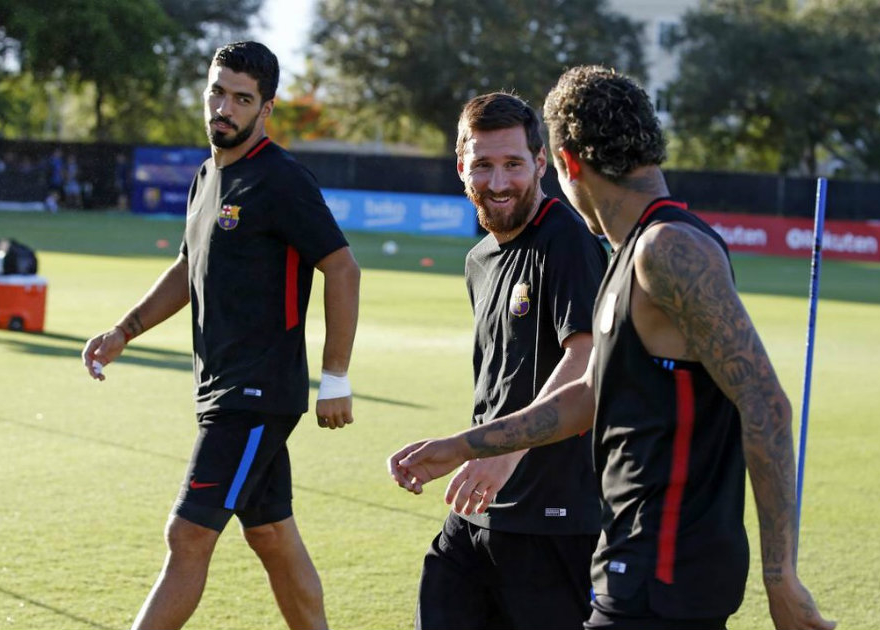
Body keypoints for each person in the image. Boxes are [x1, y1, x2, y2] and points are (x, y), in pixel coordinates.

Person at [389, 66, 836, 630]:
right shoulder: (630, 251)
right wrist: (465, 445)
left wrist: (781, 578)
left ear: (565, 162)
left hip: (671, 577)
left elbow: (767, 405)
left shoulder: (668, 248)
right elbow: (586, 396)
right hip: (628, 565)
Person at [81, 41, 360, 630]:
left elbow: (342, 267)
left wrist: (335, 377)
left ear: (266, 109)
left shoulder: (282, 179)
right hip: (221, 390)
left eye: (241, 98)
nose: (224, 108)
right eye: (217, 92)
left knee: (186, 535)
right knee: (271, 535)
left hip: (256, 395)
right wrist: (124, 330)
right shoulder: (207, 176)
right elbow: (190, 267)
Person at [412, 92, 607, 630]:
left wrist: (508, 450)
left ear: (540, 163)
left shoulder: (568, 241)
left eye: (513, 165)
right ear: (461, 168)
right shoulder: (480, 260)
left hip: (554, 515)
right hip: (480, 506)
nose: (497, 183)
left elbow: (586, 358)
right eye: (483, 165)